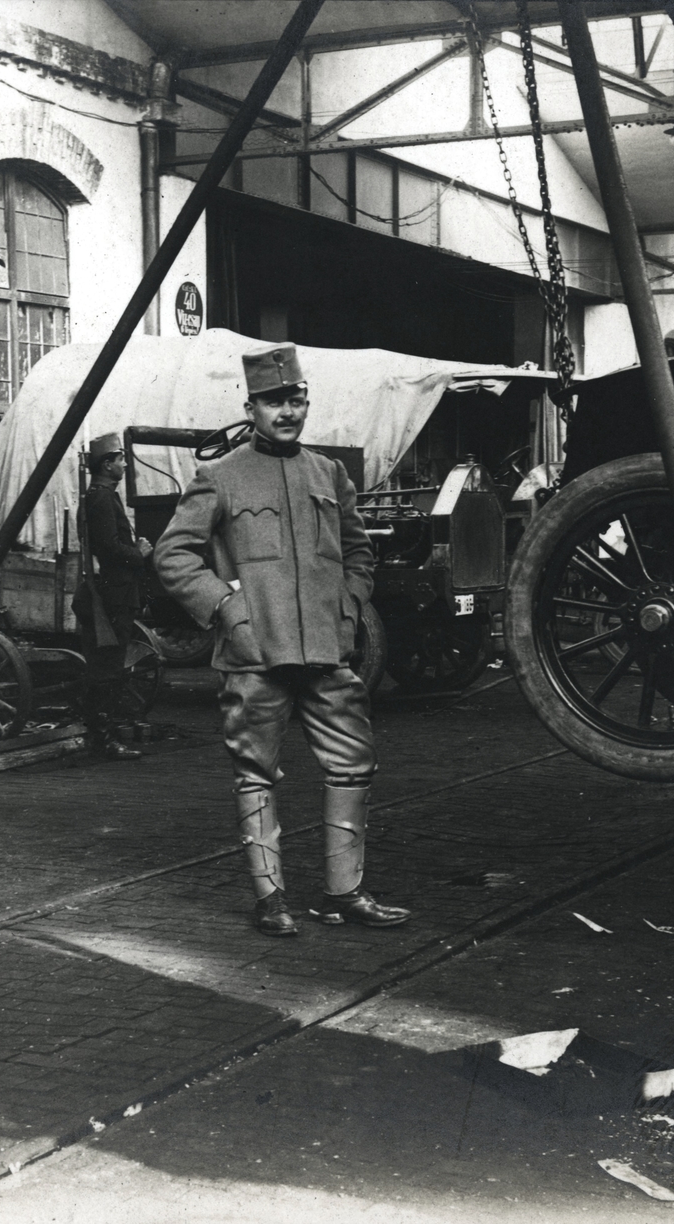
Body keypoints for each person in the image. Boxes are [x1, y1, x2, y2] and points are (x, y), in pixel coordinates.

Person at [154, 343, 412, 937]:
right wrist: (223, 606)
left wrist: (347, 608)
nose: (286, 411)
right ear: (251, 407)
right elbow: (174, 554)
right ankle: (270, 900)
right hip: (255, 653)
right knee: (255, 771)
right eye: (273, 401)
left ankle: (344, 894)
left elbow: (358, 553)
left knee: (353, 765)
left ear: (305, 403)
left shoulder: (329, 474)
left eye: (294, 399)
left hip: (326, 651)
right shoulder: (218, 477)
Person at [75, 432, 152, 761]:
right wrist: (140, 553)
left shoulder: (102, 494)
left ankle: (101, 735)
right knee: (107, 666)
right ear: (107, 465)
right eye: (119, 458)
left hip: (114, 590)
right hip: (114, 593)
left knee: (108, 664)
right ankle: (102, 739)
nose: (124, 463)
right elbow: (109, 548)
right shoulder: (102, 498)